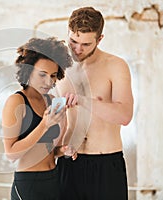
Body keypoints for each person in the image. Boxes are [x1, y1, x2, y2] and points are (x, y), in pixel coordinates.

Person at [55, 7, 134, 200]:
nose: (77, 49)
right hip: (68, 162)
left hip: (105, 163)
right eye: (73, 41)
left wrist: (83, 100)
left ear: (99, 40)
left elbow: (124, 115)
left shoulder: (115, 65)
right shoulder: (59, 66)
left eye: (85, 44)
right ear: (68, 32)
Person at [2, 37, 75, 200]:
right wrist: (45, 124)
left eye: (53, 75)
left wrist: (62, 151)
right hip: (29, 184)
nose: (49, 81)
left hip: (53, 180)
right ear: (28, 70)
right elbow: (11, 153)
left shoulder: (50, 100)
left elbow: (47, 150)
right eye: (42, 75)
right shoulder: (16, 101)